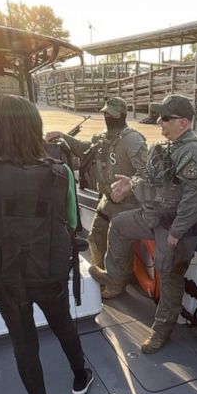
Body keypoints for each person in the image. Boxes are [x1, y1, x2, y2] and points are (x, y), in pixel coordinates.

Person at [0, 95, 93, 394]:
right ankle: (80, 377)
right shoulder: (60, 172)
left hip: (5, 276)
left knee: (24, 340)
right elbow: (72, 221)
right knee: (62, 324)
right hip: (49, 269)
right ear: (36, 127)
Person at [89, 94, 197, 354]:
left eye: (166, 118)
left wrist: (176, 233)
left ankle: (162, 330)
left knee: (169, 275)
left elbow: (196, 199)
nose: (160, 121)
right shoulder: (169, 147)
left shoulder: (193, 151)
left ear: (183, 122)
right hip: (156, 218)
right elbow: (152, 179)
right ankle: (115, 276)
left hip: (178, 228)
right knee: (120, 223)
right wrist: (131, 184)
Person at [45, 96, 148, 267]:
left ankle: (116, 284)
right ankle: (100, 273)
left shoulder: (133, 140)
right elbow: (84, 149)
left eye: (113, 115)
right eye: (106, 113)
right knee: (95, 237)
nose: (108, 117)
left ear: (122, 115)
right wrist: (62, 135)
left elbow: (147, 172)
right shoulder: (102, 137)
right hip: (106, 199)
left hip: (127, 203)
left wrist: (131, 184)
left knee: (118, 247)